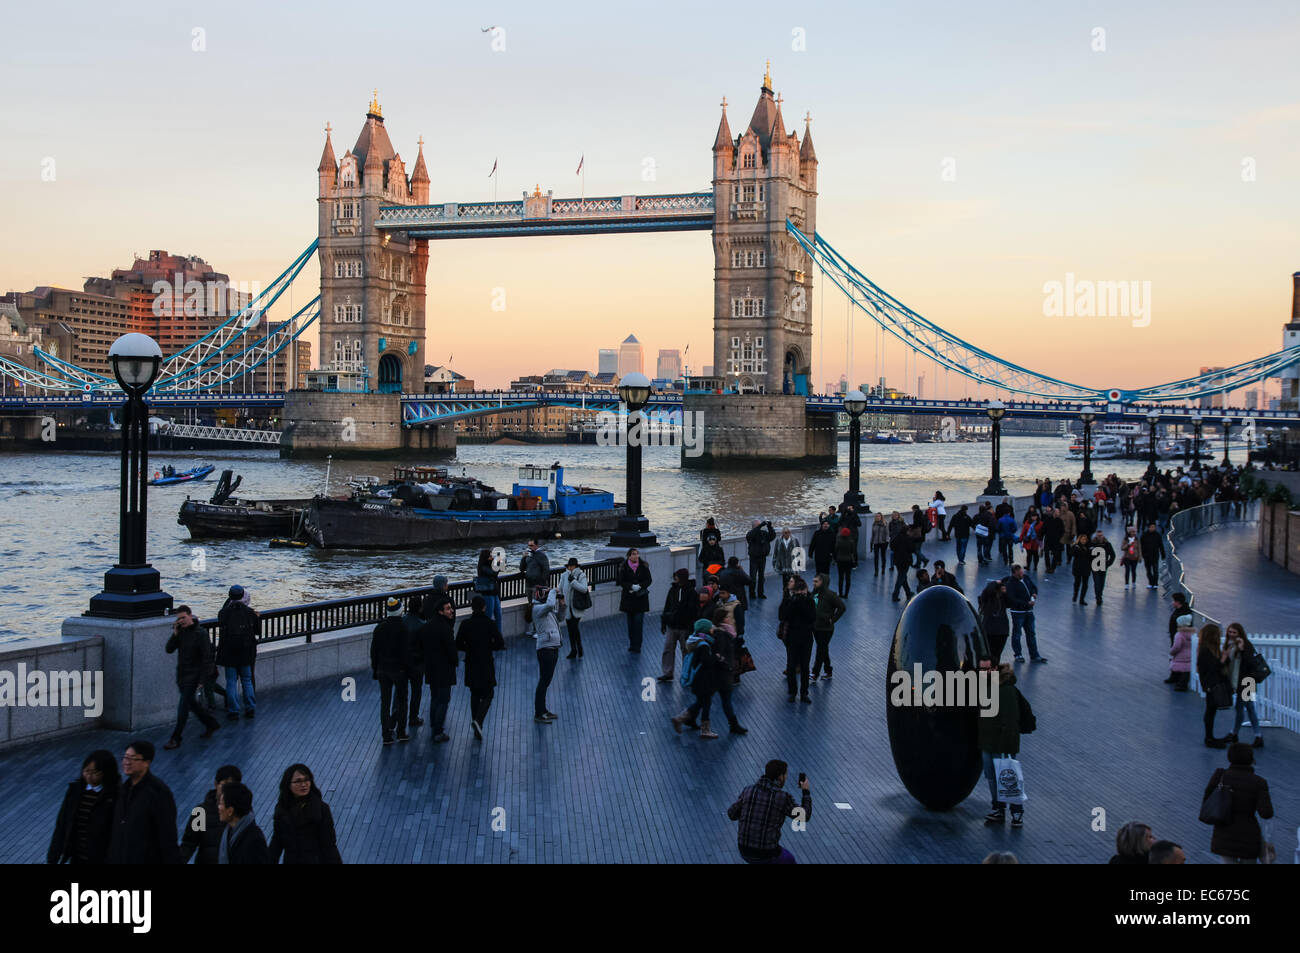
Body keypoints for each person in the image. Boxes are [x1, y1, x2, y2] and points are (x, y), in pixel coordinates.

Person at [979, 663, 1035, 828]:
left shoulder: (1007, 691)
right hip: (989, 742)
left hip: (1000, 743)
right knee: (999, 777)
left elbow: (1010, 721)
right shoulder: (992, 689)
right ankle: (1003, 810)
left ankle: (1013, 811)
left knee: (1006, 777)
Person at [107, 740, 181, 864]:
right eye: (125, 757)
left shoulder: (158, 792)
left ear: (147, 763)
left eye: (133, 759)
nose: (126, 762)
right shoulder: (123, 789)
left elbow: (167, 835)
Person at [726, 760, 812, 864]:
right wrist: (805, 791)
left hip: (744, 850)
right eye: (785, 775)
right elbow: (804, 816)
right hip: (766, 854)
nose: (786, 778)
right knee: (789, 860)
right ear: (780, 777)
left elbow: (731, 814)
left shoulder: (748, 790)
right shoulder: (782, 797)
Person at [1203, 743, 1274, 864]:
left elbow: (1207, 800)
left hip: (1223, 832)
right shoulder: (1259, 782)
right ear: (1251, 759)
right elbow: (1266, 813)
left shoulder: (1220, 776)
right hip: (1249, 836)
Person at [163, 605, 221, 750]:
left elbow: (206, 658)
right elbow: (169, 649)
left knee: (183, 706)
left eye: (183, 617)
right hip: (182, 675)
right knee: (192, 704)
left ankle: (176, 738)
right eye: (178, 619)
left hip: (194, 676)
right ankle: (211, 724)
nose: (181, 621)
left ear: (190, 616)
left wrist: (202, 680)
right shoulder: (181, 632)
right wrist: (175, 634)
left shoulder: (201, 634)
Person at [48, 749, 119, 865]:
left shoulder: (115, 796)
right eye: (86, 771)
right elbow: (62, 824)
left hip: (101, 858)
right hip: (77, 856)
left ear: (106, 773)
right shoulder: (75, 791)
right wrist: (53, 857)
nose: (89, 776)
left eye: (95, 773)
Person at [268, 764, 343, 864]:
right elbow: (277, 842)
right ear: (288, 784)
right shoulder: (281, 810)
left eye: (307, 780)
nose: (304, 784)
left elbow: (329, 845)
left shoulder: (321, 809)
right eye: (298, 781)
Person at [456, 596, 505, 740]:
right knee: (489, 693)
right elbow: (500, 643)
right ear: (484, 607)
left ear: (472, 608)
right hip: (486, 662)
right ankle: (478, 721)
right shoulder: (490, 624)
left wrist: (469, 648)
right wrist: (488, 646)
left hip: (471, 662)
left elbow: (458, 643)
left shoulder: (465, 624)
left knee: (474, 693)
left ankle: (476, 722)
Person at [371, 596, 412, 745]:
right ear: (400, 611)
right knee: (402, 701)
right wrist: (407, 669)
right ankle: (401, 732)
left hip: (382, 670)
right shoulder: (403, 629)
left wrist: (375, 669)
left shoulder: (379, 628)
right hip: (399, 671)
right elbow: (405, 653)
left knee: (385, 703)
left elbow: (373, 652)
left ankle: (386, 735)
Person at [180, 764, 241, 865]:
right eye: (225, 784)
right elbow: (188, 844)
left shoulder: (242, 812)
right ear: (216, 784)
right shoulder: (200, 812)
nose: (228, 790)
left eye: (232, 786)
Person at [671, 619, 721, 739]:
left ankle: (683, 719)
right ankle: (704, 729)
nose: (713, 629)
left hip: (697, 679)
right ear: (706, 630)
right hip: (704, 680)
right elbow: (706, 661)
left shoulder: (695, 640)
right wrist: (716, 657)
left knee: (700, 702)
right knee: (706, 702)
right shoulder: (704, 645)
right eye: (711, 627)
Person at [216, 585, 259, 721]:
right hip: (245, 652)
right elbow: (257, 631)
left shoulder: (223, 613)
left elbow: (221, 622)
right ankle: (250, 708)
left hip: (229, 653)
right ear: (242, 596)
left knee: (231, 682)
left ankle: (233, 710)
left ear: (230, 596)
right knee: (247, 680)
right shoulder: (250, 612)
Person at [419, 598, 458, 743]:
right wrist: (455, 662)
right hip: (444, 669)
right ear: (440, 611)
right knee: (443, 700)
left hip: (431, 668)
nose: (451, 611)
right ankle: (438, 731)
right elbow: (451, 651)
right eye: (448, 609)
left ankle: (433, 723)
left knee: (435, 697)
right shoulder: (446, 629)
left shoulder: (427, 626)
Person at [1223, 623, 1265, 748]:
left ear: (1240, 633)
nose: (1231, 634)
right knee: (1241, 708)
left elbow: (1250, 663)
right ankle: (1237, 733)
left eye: (1234, 632)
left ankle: (1255, 735)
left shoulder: (1246, 645)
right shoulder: (1229, 645)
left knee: (1247, 708)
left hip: (1247, 681)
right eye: (1230, 632)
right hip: (1237, 681)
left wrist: (1242, 649)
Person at [779, 576, 817, 702]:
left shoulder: (808, 600)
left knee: (805, 666)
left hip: (805, 637)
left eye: (791, 581)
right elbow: (783, 615)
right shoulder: (788, 599)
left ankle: (803, 692)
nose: (788, 583)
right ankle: (793, 692)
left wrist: (800, 601)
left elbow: (811, 616)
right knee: (791, 665)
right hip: (793, 636)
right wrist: (792, 601)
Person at [658, 568, 698, 683]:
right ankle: (668, 673)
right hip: (673, 625)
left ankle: (685, 672)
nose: (675, 578)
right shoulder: (673, 590)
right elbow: (667, 606)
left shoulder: (691, 592)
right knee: (669, 648)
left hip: (684, 626)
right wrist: (664, 622)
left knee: (685, 650)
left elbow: (692, 611)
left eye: (677, 576)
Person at [216, 781, 270, 864]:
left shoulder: (254, 839)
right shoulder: (227, 832)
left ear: (230, 811)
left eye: (221, 803)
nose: (218, 807)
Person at [532, 585, 563, 723]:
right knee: (544, 681)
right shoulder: (537, 609)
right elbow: (550, 604)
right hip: (546, 649)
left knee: (546, 681)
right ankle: (539, 713)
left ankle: (543, 710)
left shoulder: (546, 609)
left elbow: (560, 618)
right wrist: (553, 591)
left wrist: (563, 605)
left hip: (553, 647)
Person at [1003, 565, 1046, 663]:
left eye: (1022, 573)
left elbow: (1033, 587)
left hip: (1029, 611)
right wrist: (1026, 603)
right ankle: (1018, 654)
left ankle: (1034, 655)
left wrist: (1034, 593)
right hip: (1018, 612)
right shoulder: (1011, 584)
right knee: (1017, 634)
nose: (1022, 575)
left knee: (1031, 633)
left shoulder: (1025, 578)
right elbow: (1012, 599)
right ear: (1014, 573)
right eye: (1019, 574)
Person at [1198, 623, 1231, 748]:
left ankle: (1210, 736)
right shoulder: (1206, 650)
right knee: (1210, 710)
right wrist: (1223, 659)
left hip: (1210, 683)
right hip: (1211, 683)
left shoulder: (1208, 648)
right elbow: (1213, 667)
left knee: (1211, 710)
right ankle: (1209, 738)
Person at [810, 573, 846, 681]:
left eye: (816, 581)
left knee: (820, 649)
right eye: (813, 581)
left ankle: (815, 673)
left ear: (822, 582)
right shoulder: (814, 593)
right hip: (816, 627)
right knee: (823, 649)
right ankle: (828, 670)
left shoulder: (831, 595)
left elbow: (842, 607)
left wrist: (832, 620)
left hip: (826, 629)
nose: (814, 583)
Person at [618, 547, 652, 653]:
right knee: (630, 624)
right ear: (629, 556)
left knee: (638, 623)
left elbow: (649, 580)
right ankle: (632, 643)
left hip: (640, 599)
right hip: (628, 599)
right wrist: (631, 586)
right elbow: (621, 581)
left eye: (637, 554)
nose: (636, 556)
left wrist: (640, 586)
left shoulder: (644, 566)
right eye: (633, 554)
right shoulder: (623, 567)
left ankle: (637, 646)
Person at [401, 594, 426, 730]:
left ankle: (396, 718)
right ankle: (413, 717)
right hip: (417, 664)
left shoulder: (402, 621)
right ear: (420, 608)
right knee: (416, 691)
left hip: (403, 663)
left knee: (401, 692)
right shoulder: (422, 625)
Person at [559, 557, 590, 660]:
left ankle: (578, 648)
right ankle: (574, 649)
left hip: (577, 607)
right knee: (570, 629)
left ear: (575, 566)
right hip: (567, 607)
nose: (570, 568)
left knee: (574, 627)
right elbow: (560, 589)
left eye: (571, 566)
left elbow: (584, 589)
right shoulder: (564, 575)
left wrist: (573, 582)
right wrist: (560, 598)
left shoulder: (581, 575)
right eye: (569, 566)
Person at [519, 540, 550, 638]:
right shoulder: (528, 555)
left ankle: (539, 630)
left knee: (538, 607)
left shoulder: (542, 555)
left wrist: (541, 584)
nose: (529, 547)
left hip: (538, 586)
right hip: (529, 584)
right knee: (531, 606)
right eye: (528, 545)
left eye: (531, 545)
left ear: (536, 545)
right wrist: (523, 558)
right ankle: (532, 629)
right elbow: (521, 568)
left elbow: (546, 570)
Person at [978, 580, 1010, 662]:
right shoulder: (987, 599)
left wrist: (1004, 591)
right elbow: (988, 590)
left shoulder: (1003, 599)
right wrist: (996, 583)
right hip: (990, 631)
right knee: (988, 655)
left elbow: (1012, 600)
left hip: (1001, 632)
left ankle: (993, 673)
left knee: (996, 655)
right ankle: (988, 674)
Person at [745, 519, 776, 598]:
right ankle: (752, 594)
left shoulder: (764, 533)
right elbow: (749, 536)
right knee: (753, 577)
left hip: (762, 558)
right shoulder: (751, 534)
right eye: (758, 525)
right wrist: (760, 526)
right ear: (754, 526)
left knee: (762, 577)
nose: (760, 527)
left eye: (760, 525)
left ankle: (760, 593)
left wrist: (770, 527)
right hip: (754, 558)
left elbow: (772, 536)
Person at [474, 549, 502, 631]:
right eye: (490, 556)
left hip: (494, 593)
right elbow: (494, 573)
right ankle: (488, 637)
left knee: (499, 616)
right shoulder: (482, 567)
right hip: (488, 594)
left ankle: (498, 636)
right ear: (485, 557)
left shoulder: (489, 564)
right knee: (488, 616)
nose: (492, 557)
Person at [1167, 614, 1193, 691]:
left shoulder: (1179, 635)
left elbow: (1177, 646)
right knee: (1186, 670)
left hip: (1180, 655)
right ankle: (1183, 684)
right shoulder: (1192, 634)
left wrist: (1171, 652)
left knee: (1178, 667)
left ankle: (1177, 681)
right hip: (1189, 655)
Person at [889, 522, 914, 602]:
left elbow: (892, 546)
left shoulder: (897, 537)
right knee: (901, 578)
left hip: (897, 560)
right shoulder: (908, 539)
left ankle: (908, 592)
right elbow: (912, 549)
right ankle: (895, 594)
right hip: (905, 560)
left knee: (903, 577)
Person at [1089, 531, 1116, 605]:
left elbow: (1113, 555)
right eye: (1098, 536)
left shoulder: (1107, 544)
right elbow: (1088, 554)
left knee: (1102, 582)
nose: (1100, 537)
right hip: (1094, 565)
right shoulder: (1092, 544)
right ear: (1096, 536)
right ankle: (1098, 597)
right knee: (1097, 582)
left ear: (1103, 536)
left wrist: (1108, 563)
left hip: (1103, 565)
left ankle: (1099, 594)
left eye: (1101, 536)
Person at [1068, 533, 1092, 605]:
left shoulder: (1089, 547)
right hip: (1078, 567)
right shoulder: (1076, 546)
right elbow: (1072, 553)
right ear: (1079, 539)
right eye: (1082, 539)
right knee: (1077, 583)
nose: (1084, 541)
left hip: (1086, 567)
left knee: (1085, 584)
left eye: (1085, 539)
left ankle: (1082, 599)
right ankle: (1075, 595)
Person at [833, 527, 856, 597]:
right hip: (848, 561)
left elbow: (835, 550)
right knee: (848, 577)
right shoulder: (851, 541)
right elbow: (852, 551)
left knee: (841, 577)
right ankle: (846, 594)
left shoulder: (839, 541)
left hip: (840, 560)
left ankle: (840, 593)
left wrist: (835, 559)